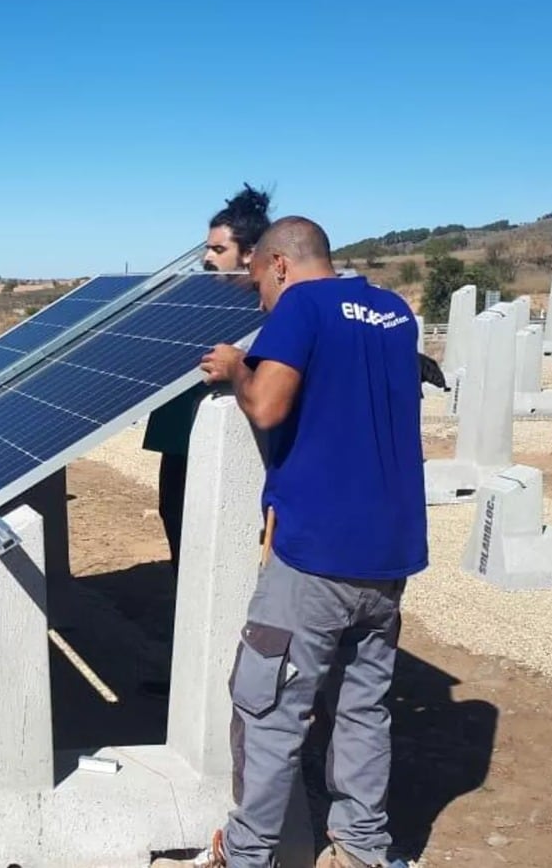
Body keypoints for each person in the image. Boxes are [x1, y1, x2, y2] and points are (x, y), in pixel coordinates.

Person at [191, 217, 427, 868]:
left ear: (281, 265)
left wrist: (239, 368)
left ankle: (248, 856)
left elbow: (267, 407)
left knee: (268, 708)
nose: (261, 298)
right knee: (362, 706)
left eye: (260, 282)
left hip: (317, 549)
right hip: (390, 551)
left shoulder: (300, 305)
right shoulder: (392, 311)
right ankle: (360, 850)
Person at [143, 184, 272, 570]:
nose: (206, 258)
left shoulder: (268, 309)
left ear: (249, 254)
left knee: (222, 533)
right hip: (180, 439)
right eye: (207, 248)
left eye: (218, 250)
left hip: (231, 443)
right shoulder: (190, 304)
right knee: (175, 515)